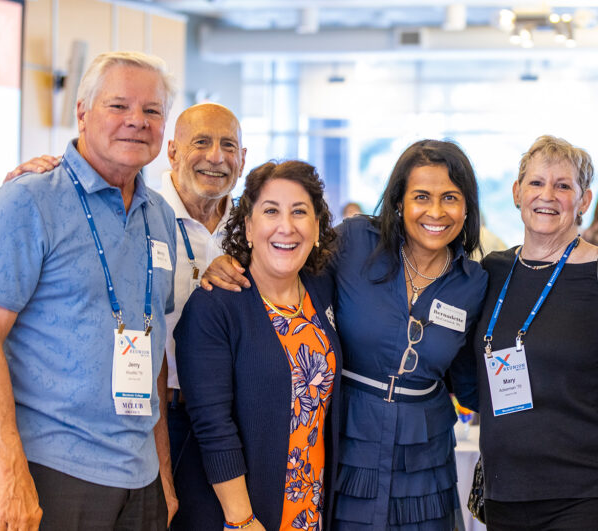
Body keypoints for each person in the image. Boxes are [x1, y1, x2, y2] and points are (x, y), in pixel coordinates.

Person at [202, 139, 488, 530]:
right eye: (421, 196)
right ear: (399, 201)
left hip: (425, 457)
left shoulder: (474, 283)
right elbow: (289, 256)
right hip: (348, 438)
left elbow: (471, 377)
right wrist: (229, 261)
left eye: (450, 198)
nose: (435, 212)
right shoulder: (355, 243)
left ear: (468, 207)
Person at [4, 102, 248, 530]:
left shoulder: (254, 227)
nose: (216, 156)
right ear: (171, 152)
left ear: (243, 158)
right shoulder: (140, 212)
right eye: (201, 143)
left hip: (228, 420)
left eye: (229, 145)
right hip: (149, 419)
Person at [0, 51, 178, 530]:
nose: (136, 122)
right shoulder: (28, 201)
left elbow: (155, 353)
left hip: (140, 476)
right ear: (82, 112)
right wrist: (9, 476)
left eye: (151, 111)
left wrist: (163, 473)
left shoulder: (160, 217)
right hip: (52, 471)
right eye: (118, 106)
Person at [471, 135, 598, 530]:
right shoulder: (492, 272)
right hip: (505, 491)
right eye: (536, 183)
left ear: (583, 201)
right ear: (517, 192)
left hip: (587, 493)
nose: (546, 195)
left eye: (563, 185)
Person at [174, 160, 342, 530]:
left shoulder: (322, 292)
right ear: (248, 226)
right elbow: (212, 424)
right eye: (270, 211)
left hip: (308, 508)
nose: (286, 226)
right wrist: (241, 519)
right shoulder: (215, 306)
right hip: (239, 515)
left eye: (300, 212)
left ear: (316, 227)